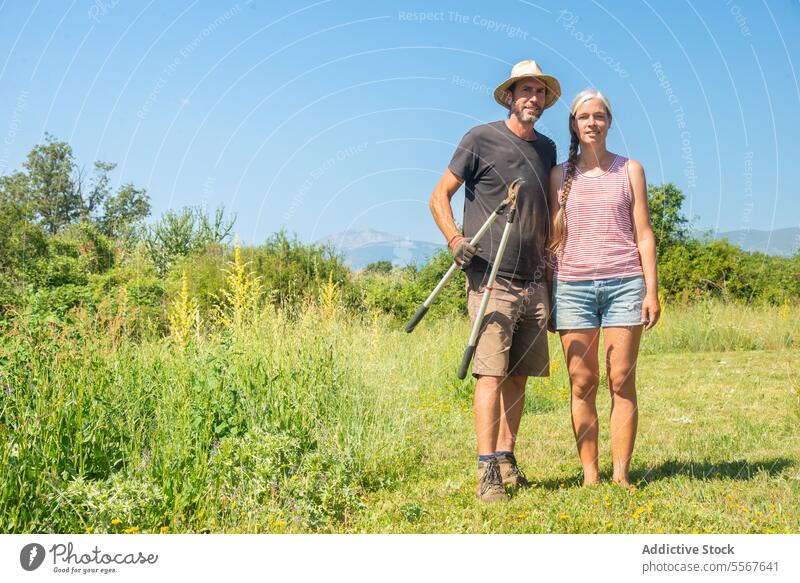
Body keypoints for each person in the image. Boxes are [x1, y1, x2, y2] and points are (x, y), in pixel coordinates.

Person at [429, 60, 560, 502]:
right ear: (510, 96)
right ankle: (485, 470)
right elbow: (438, 195)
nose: (532, 99)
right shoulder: (480, 138)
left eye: (539, 92)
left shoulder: (548, 149)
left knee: (520, 376)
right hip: (491, 277)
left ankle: (506, 459)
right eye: (525, 90)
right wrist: (453, 239)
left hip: (534, 279)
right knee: (490, 372)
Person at [548, 89, 660, 489]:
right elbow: (552, 238)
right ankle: (590, 477)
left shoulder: (631, 170)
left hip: (625, 284)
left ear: (609, 122)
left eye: (599, 116)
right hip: (572, 287)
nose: (591, 123)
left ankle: (621, 475)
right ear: (574, 125)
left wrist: (652, 290)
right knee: (582, 381)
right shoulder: (559, 176)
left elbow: (644, 234)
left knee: (620, 380)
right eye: (583, 117)